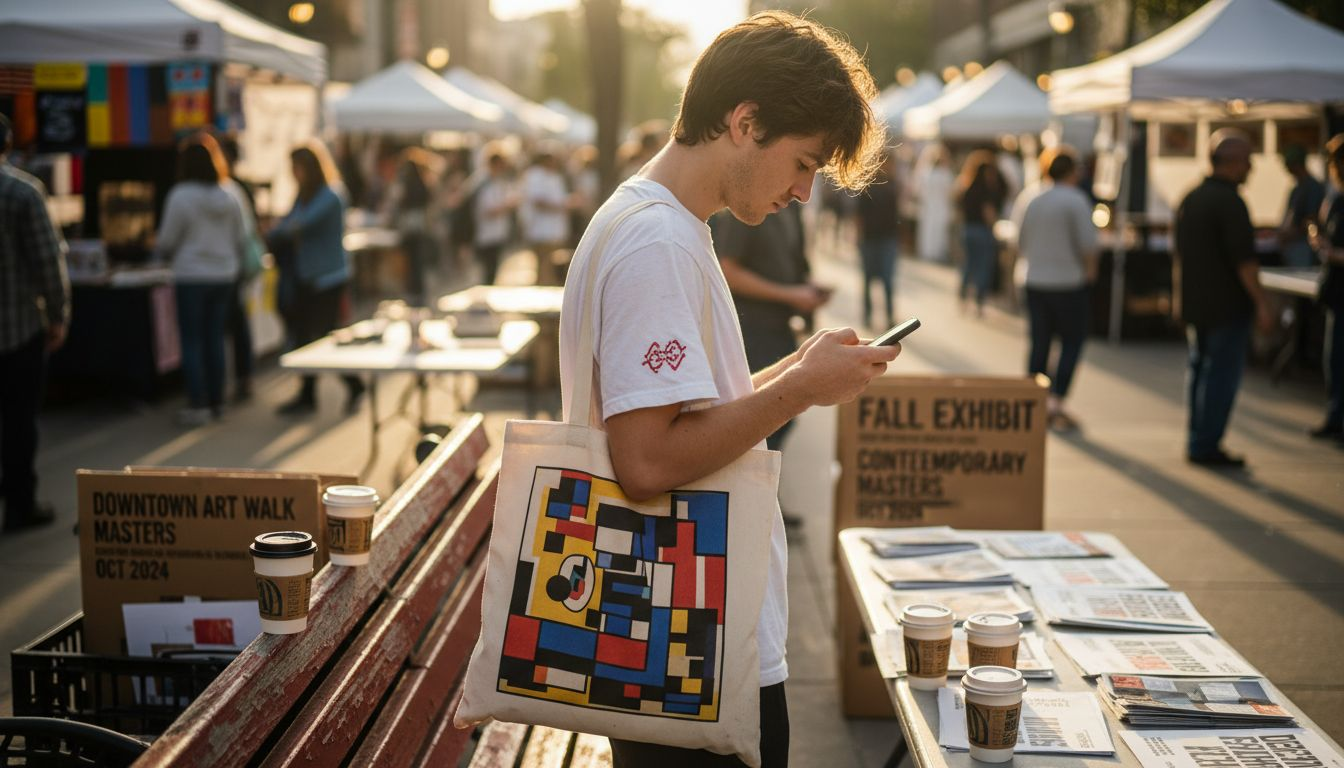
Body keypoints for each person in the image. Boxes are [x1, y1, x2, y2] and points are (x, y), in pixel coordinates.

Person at [558, 12, 897, 766]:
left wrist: (799, 373)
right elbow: (645, 460)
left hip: (672, 638)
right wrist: (796, 391)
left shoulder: (656, 220)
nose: (805, 192)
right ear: (745, 122)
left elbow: (689, 408)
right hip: (691, 646)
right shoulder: (659, 243)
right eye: (803, 162)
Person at [711, 200, 827, 532]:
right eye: (802, 165)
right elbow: (728, 270)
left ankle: (762, 496)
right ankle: (753, 498)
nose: (804, 190)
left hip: (778, 325)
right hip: (753, 327)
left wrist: (803, 292)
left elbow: (788, 262)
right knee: (762, 414)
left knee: (781, 418)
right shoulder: (747, 208)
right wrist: (791, 294)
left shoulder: (788, 206)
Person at [1174, 129, 1275, 467]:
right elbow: (1244, 261)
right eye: (1248, 160)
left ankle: (1198, 439)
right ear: (1233, 162)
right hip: (1225, 306)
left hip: (1197, 303)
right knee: (1219, 375)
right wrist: (1262, 302)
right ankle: (1206, 443)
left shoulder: (1193, 197)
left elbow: (1180, 254)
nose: (1252, 168)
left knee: (1201, 371)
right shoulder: (1230, 202)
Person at [0, 112, 69, 533]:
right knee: (19, 419)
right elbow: (48, 261)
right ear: (7, 143)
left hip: (19, 325)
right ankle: (20, 504)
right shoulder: (22, 192)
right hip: (18, 327)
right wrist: (59, 315)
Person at [155, 133, 247, 426]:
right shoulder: (230, 194)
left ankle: (198, 403)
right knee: (215, 339)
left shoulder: (181, 196)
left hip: (192, 275)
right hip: (224, 274)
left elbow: (167, 240)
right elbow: (241, 237)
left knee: (192, 341)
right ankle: (218, 401)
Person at [270, 139, 365, 416]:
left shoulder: (330, 196)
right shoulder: (305, 195)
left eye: (298, 167)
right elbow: (288, 225)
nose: (294, 173)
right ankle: (308, 392)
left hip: (328, 278)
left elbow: (297, 226)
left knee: (323, 337)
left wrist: (279, 231)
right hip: (307, 276)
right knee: (305, 336)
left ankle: (353, 383)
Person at [1010, 146, 1098, 431]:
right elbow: (1088, 244)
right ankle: (1056, 400)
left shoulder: (1030, 196)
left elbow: (1017, 239)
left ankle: (1033, 398)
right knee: (1071, 341)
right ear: (1072, 171)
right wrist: (1089, 273)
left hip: (1033, 278)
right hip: (1067, 281)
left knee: (1040, 340)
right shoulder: (1076, 200)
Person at [218, 135, 260, 402]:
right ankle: (235, 381)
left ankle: (241, 379)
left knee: (231, 326)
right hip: (230, 266)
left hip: (232, 267)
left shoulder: (235, 188)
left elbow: (245, 230)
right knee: (232, 326)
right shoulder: (233, 189)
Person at [1309, 133, 1344, 442]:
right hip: (1336, 293)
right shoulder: (1336, 200)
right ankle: (1335, 417)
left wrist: (1333, 253)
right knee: (1334, 359)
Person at [955, 149, 1006, 317]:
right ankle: (979, 301)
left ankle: (962, 295)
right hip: (982, 230)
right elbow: (988, 212)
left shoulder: (966, 187)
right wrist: (994, 226)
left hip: (968, 229)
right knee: (983, 267)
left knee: (969, 264)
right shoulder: (985, 188)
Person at [856, 151, 900, 330]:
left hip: (888, 238)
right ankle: (867, 315)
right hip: (870, 238)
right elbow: (859, 214)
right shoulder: (867, 184)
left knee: (888, 280)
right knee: (868, 279)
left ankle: (889, 315)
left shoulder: (893, 184)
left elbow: (897, 213)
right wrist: (858, 237)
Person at [520, 149, 570, 285]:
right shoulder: (535, 176)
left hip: (554, 230)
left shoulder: (555, 177)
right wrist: (562, 205)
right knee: (543, 266)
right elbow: (538, 201)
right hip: (541, 230)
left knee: (550, 266)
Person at [1278, 144, 1326, 269]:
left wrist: (1291, 234)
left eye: (1289, 165)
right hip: (1292, 246)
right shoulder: (1297, 189)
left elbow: (1311, 219)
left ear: (1297, 165)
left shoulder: (1313, 188)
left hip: (1304, 248)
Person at [472, 150, 515, 285]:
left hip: (495, 233)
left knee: (492, 270)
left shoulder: (496, 182)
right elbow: (488, 210)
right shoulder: (484, 183)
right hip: (485, 234)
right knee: (488, 271)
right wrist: (507, 205)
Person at [915, 144, 952, 263]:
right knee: (938, 231)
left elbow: (919, 190)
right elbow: (950, 192)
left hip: (929, 206)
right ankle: (936, 254)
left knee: (928, 230)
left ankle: (928, 253)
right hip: (940, 206)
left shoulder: (926, 173)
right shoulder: (945, 174)